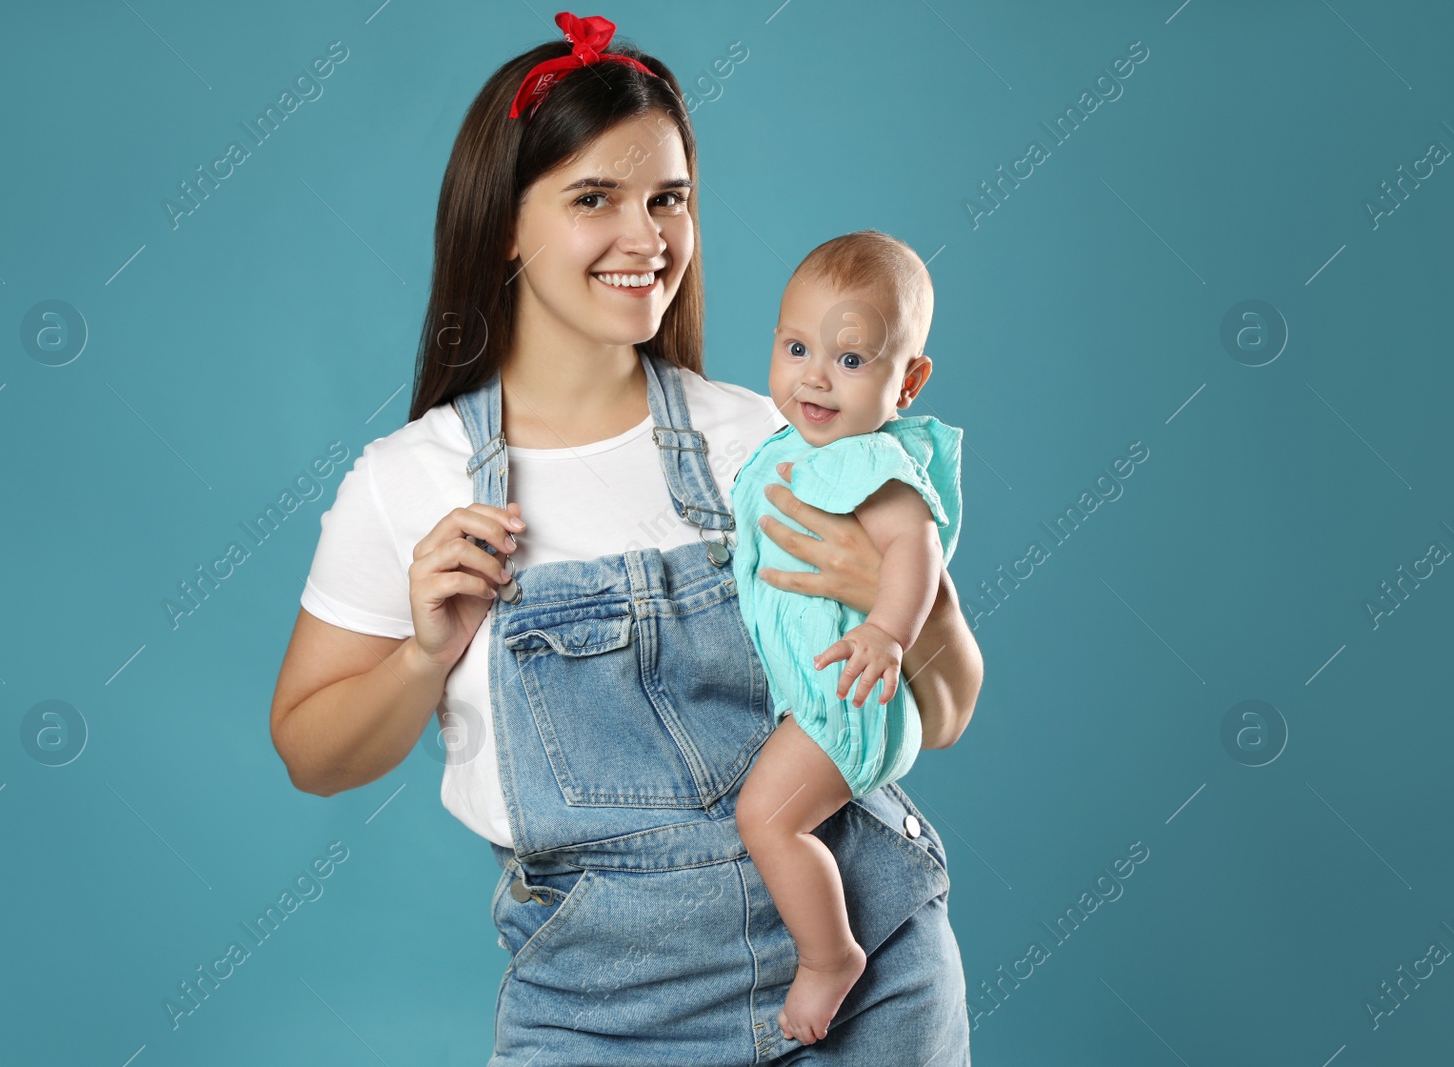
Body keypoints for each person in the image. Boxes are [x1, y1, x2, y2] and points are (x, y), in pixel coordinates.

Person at [267, 11, 983, 1065]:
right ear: (505, 222)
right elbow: (312, 754)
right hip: (606, 1016)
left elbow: (948, 708)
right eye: (594, 198)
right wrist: (426, 653)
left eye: (668, 200)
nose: (646, 239)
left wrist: (905, 605)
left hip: (865, 974)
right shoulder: (404, 484)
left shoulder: (771, 441)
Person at [730, 230, 964, 1045]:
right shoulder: (793, 447)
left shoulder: (876, 463)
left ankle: (830, 956)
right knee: (773, 814)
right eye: (797, 347)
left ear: (909, 380)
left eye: (853, 360)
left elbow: (916, 550)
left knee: (768, 818)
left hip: (852, 696)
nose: (816, 375)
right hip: (822, 693)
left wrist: (887, 631)